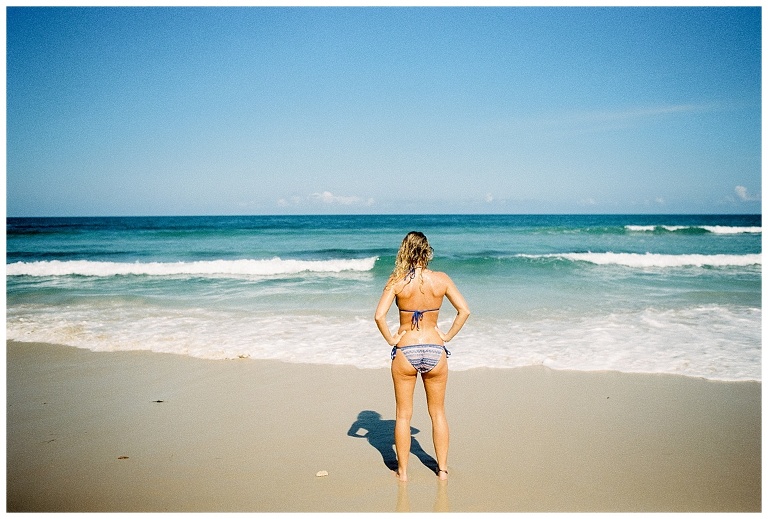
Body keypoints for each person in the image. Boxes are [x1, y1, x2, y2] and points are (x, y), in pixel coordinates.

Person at [375, 231, 470, 482]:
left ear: (405, 251)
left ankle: (403, 472)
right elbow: (465, 310)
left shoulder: (396, 281)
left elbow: (378, 316)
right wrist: (447, 335)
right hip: (435, 349)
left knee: (403, 414)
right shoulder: (441, 279)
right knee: (437, 412)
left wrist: (391, 339)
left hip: (406, 350)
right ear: (427, 251)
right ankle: (442, 470)